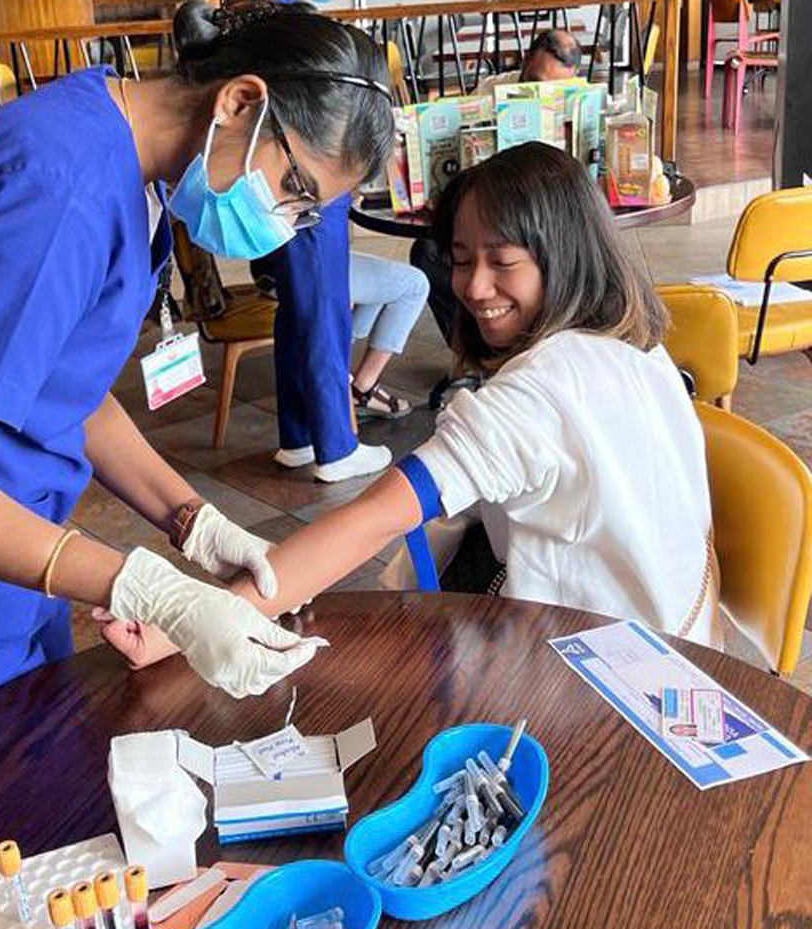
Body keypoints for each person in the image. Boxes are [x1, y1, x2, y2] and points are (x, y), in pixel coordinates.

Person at [0, 0, 394, 786]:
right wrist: (145, 586)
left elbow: (56, 381)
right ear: (239, 101)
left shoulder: (119, 156)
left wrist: (192, 520)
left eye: (305, 213)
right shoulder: (54, 196)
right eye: (293, 188)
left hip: (0, 571)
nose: (286, 226)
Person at [224, 143, 718, 647]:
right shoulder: (638, 347)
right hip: (683, 640)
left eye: (503, 261)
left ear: (565, 255)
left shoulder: (539, 392)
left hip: (601, 671)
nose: (476, 287)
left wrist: (208, 615)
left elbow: (371, 519)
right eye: (461, 261)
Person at [412, 29, 583, 351]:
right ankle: (469, 353)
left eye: (555, 87)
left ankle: (536, 344)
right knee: (428, 251)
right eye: (535, 81)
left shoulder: (577, 100)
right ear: (527, 61)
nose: (541, 94)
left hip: (547, 211)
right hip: (495, 206)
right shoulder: (491, 90)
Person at [252, 194, 430, 482]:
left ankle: (299, 438)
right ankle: (338, 451)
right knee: (324, 325)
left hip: (282, 227)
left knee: (295, 322)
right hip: (314, 203)